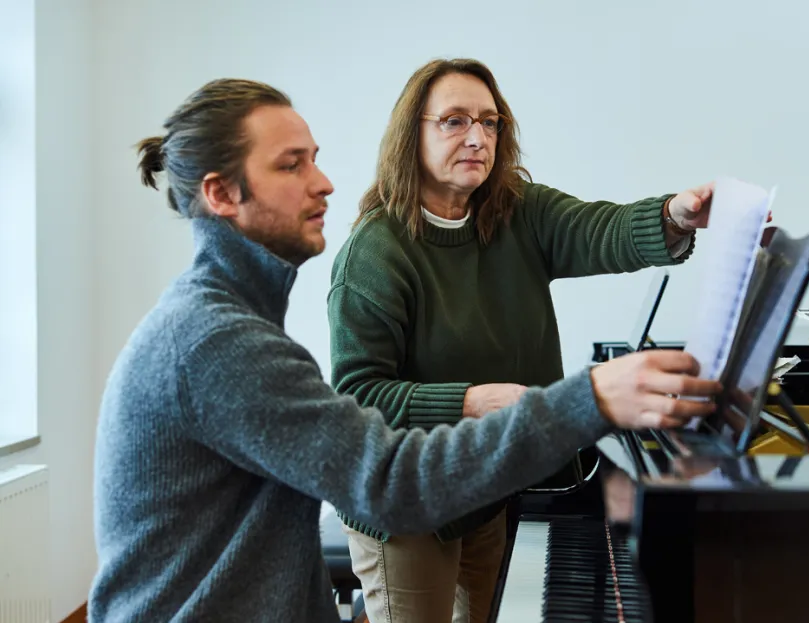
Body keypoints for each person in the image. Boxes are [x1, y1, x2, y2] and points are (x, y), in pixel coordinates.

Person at [88, 77, 721, 623]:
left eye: (315, 159)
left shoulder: (225, 319)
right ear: (222, 195)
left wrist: (673, 215)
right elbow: (388, 480)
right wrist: (588, 399)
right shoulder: (218, 341)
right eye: (292, 165)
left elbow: (599, 229)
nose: (325, 182)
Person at [327, 57, 716, 623]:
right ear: (411, 134)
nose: (477, 137)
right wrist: (471, 401)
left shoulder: (517, 211)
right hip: (405, 501)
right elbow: (359, 396)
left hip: (487, 482)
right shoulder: (374, 253)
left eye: (490, 122)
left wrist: (675, 217)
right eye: (455, 121)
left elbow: (599, 229)